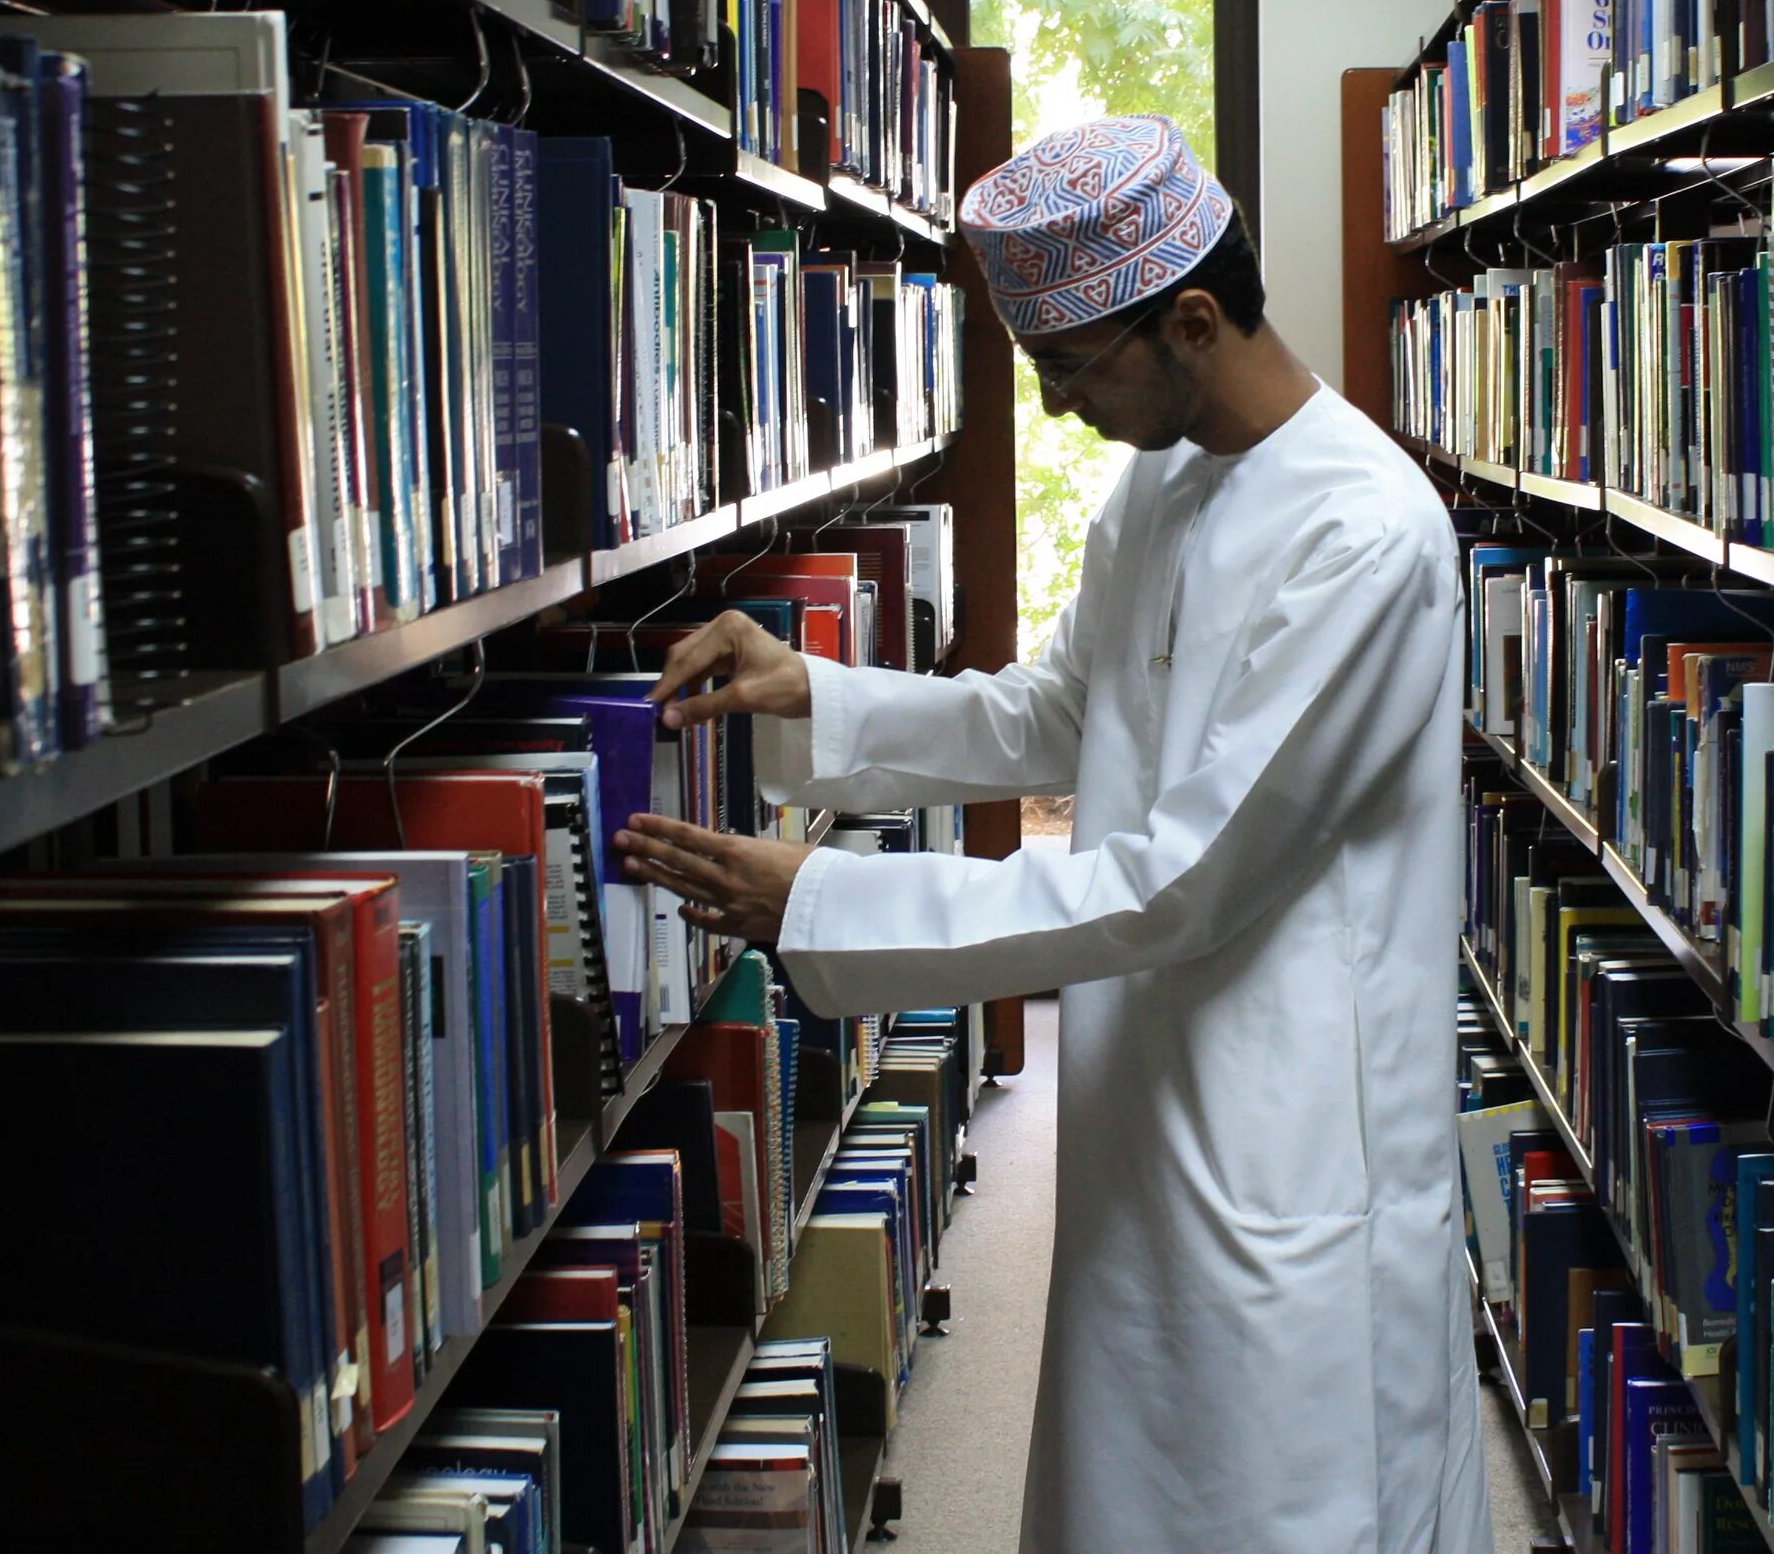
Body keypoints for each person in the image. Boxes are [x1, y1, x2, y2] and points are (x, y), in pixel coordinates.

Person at [614, 114, 1493, 1554]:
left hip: (1293, 1144)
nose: (1058, 405)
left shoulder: (1367, 536)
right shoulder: (1158, 483)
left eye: (1070, 367)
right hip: (1151, 1100)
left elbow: (1181, 885)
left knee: (1298, 1509)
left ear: (1192, 321)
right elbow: (1054, 715)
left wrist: (827, 905)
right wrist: (821, 695)